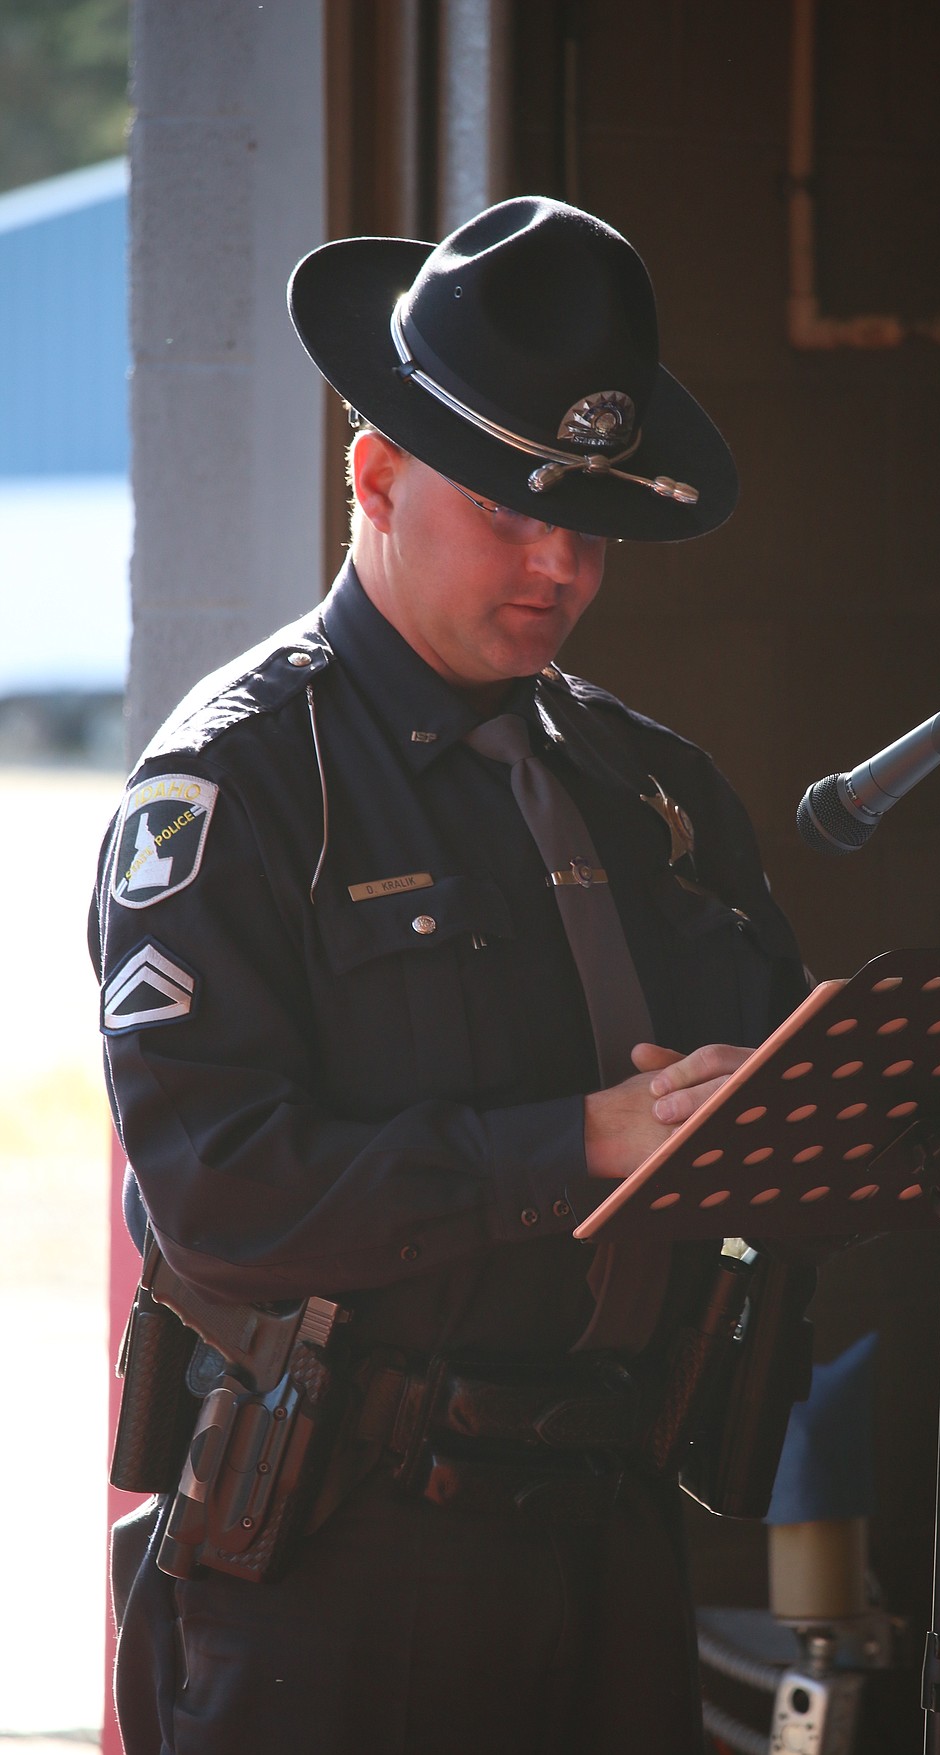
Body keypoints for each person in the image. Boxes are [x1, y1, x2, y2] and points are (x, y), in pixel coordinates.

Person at [92, 196, 808, 1755]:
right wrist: (574, 1145)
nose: (559, 563)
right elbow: (218, 1189)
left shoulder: (650, 788)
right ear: (375, 475)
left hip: (608, 1515)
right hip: (345, 1545)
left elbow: (772, 1079)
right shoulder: (244, 779)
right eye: (507, 508)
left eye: (591, 520)